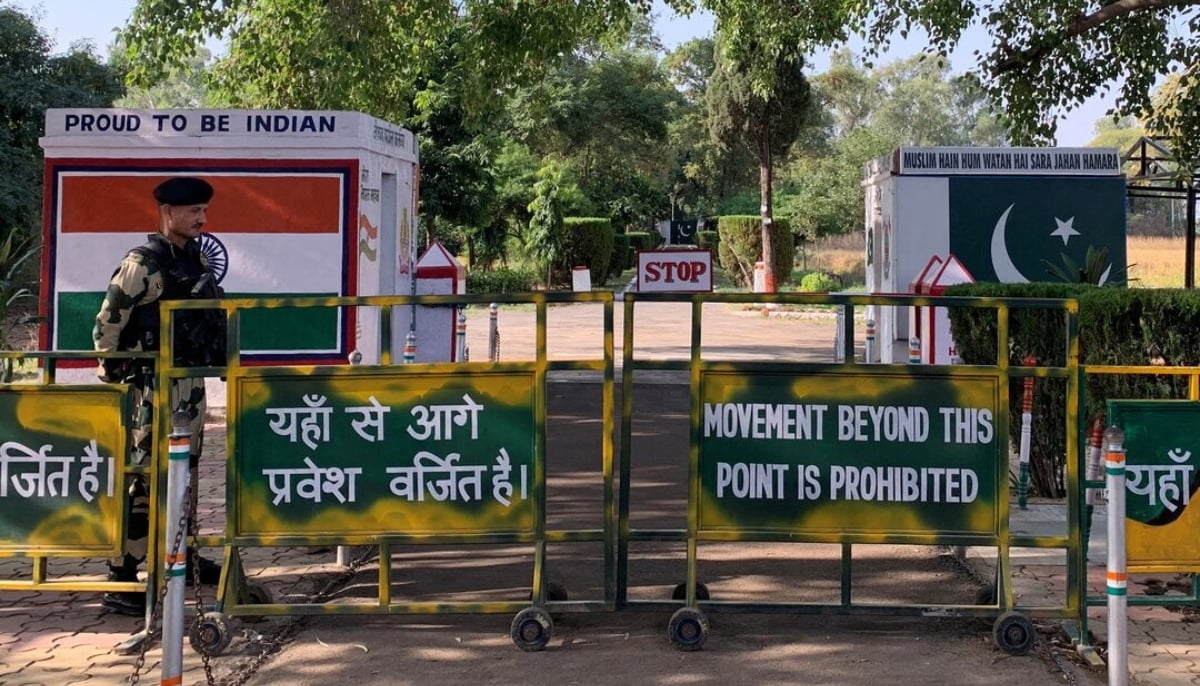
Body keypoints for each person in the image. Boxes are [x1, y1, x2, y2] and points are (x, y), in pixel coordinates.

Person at [93, 176, 226, 615]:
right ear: (167, 213)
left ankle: (180, 557)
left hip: (188, 386)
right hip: (152, 389)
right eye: (193, 212)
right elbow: (106, 327)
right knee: (144, 479)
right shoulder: (142, 264)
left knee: (184, 474)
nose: (202, 218)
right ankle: (123, 577)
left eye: (204, 211)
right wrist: (121, 373)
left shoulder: (196, 261)